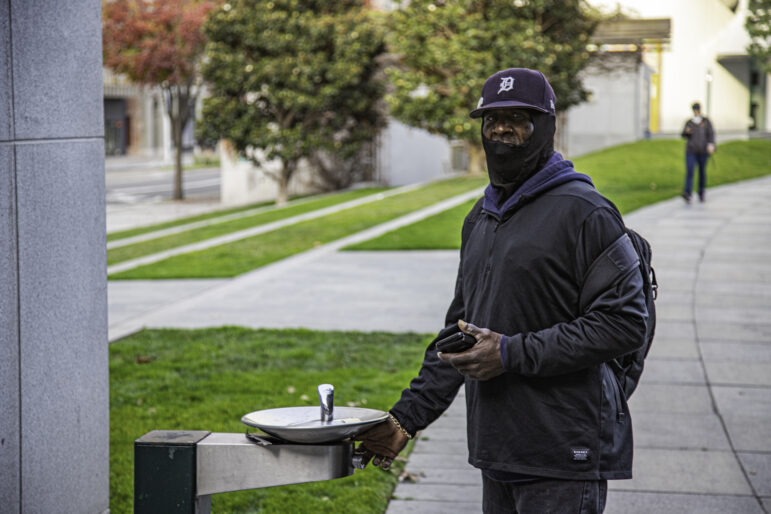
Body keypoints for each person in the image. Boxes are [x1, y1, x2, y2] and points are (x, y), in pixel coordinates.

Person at [354, 68, 648, 513]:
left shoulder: (586, 213)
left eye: (518, 118)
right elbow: (459, 335)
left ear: (548, 126)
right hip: (499, 450)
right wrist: (405, 420)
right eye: (492, 120)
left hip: (563, 453)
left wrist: (509, 353)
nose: (501, 128)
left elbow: (625, 324)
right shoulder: (482, 218)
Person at [680, 102, 715, 203]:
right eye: (694, 110)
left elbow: (711, 134)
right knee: (690, 171)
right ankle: (687, 193)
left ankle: (701, 192)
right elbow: (683, 135)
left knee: (702, 172)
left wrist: (711, 144)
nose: (695, 111)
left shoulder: (705, 121)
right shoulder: (689, 122)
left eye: (697, 109)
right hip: (691, 151)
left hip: (703, 151)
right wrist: (686, 132)